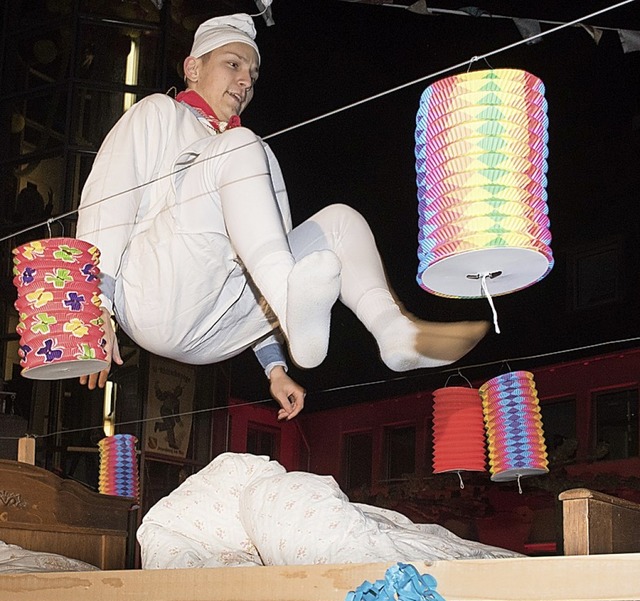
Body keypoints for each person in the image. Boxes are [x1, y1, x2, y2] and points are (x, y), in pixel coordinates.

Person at [76, 13, 489, 420]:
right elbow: (107, 202)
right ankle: (292, 310)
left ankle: (394, 332)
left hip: (214, 332)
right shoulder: (160, 115)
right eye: (233, 65)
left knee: (339, 223)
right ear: (193, 67)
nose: (245, 81)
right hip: (152, 297)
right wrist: (94, 309)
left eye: (252, 76)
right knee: (241, 145)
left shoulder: (248, 152)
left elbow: (261, 257)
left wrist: (274, 367)